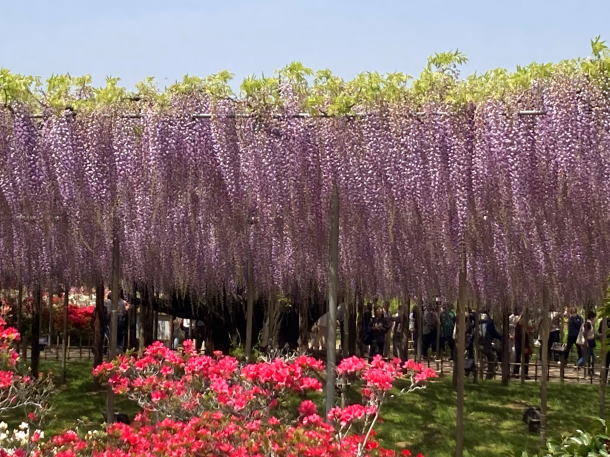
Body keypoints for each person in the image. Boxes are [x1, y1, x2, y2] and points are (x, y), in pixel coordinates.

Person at [479, 310, 502, 379]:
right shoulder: (489, 322)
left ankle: (488, 374)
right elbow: (493, 332)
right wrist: (501, 337)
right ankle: (489, 375)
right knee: (492, 357)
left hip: (479, 344)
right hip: (485, 344)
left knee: (494, 352)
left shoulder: (479, 321)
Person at [577, 310, 596, 376]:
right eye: (594, 317)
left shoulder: (587, 323)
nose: (595, 319)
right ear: (591, 317)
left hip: (590, 342)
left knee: (592, 356)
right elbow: (584, 333)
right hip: (587, 342)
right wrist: (586, 342)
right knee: (585, 358)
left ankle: (590, 371)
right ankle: (577, 365)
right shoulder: (588, 323)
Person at [513, 314, 531, 378]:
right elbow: (519, 338)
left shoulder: (524, 326)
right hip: (519, 345)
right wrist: (524, 347)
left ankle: (525, 374)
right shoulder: (518, 327)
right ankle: (516, 373)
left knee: (526, 360)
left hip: (524, 345)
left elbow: (527, 338)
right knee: (518, 359)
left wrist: (527, 347)